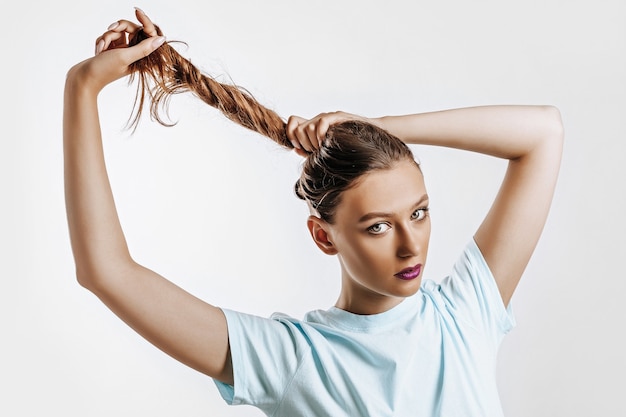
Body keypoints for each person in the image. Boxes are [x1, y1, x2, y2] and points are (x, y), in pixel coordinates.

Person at [64, 8, 563, 417]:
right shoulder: (295, 361)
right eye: (379, 226)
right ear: (324, 237)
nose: (412, 245)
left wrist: (378, 126)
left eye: (419, 213)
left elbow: (544, 133)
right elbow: (106, 272)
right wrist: (81, 90)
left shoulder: (463, 315)